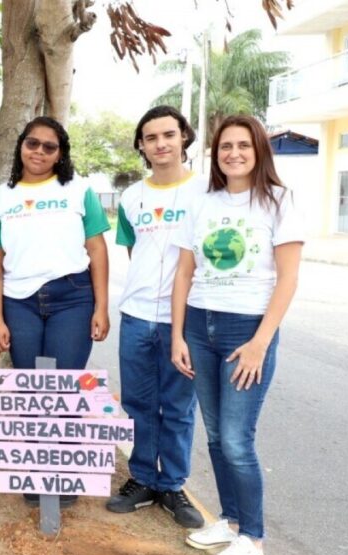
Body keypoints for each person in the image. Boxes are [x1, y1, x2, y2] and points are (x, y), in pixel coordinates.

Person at [171, 115, 303, 555]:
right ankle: (227, 521)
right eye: (225, 146)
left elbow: (288, 278)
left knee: (236, 438)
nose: (233, 153)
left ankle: (252, 535)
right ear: (215, 154)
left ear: (258, 149)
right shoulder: (202, 204)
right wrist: (177, 336)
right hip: (200, 325)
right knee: (213, 435)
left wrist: (259, 343)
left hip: (246, 329)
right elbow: (184, 273)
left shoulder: (278, 201)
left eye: (243, 145)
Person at [0, 116, 110, 506]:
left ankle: (63, 473)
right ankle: (37, 470)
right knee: (31, 389)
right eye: (32, 143)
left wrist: (102, 306)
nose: (39, 152)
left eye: (49, 147)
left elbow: (98, 250)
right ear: (20, 145)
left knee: (67, 387)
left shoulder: (79, 189)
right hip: (19, 301)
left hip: (72, 297)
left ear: (60, 154)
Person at [106, 105, 205, 529]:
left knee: (179, 407)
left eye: (168, 134)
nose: (161, 144)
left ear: (184, 137)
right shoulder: (132, 198)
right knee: (139, 404)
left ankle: (173, 485)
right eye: (151, 138)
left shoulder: (205, 193)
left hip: (186, 320)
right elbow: (132, 251)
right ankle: (143, 478)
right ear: (142, 147)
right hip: (137, 316)